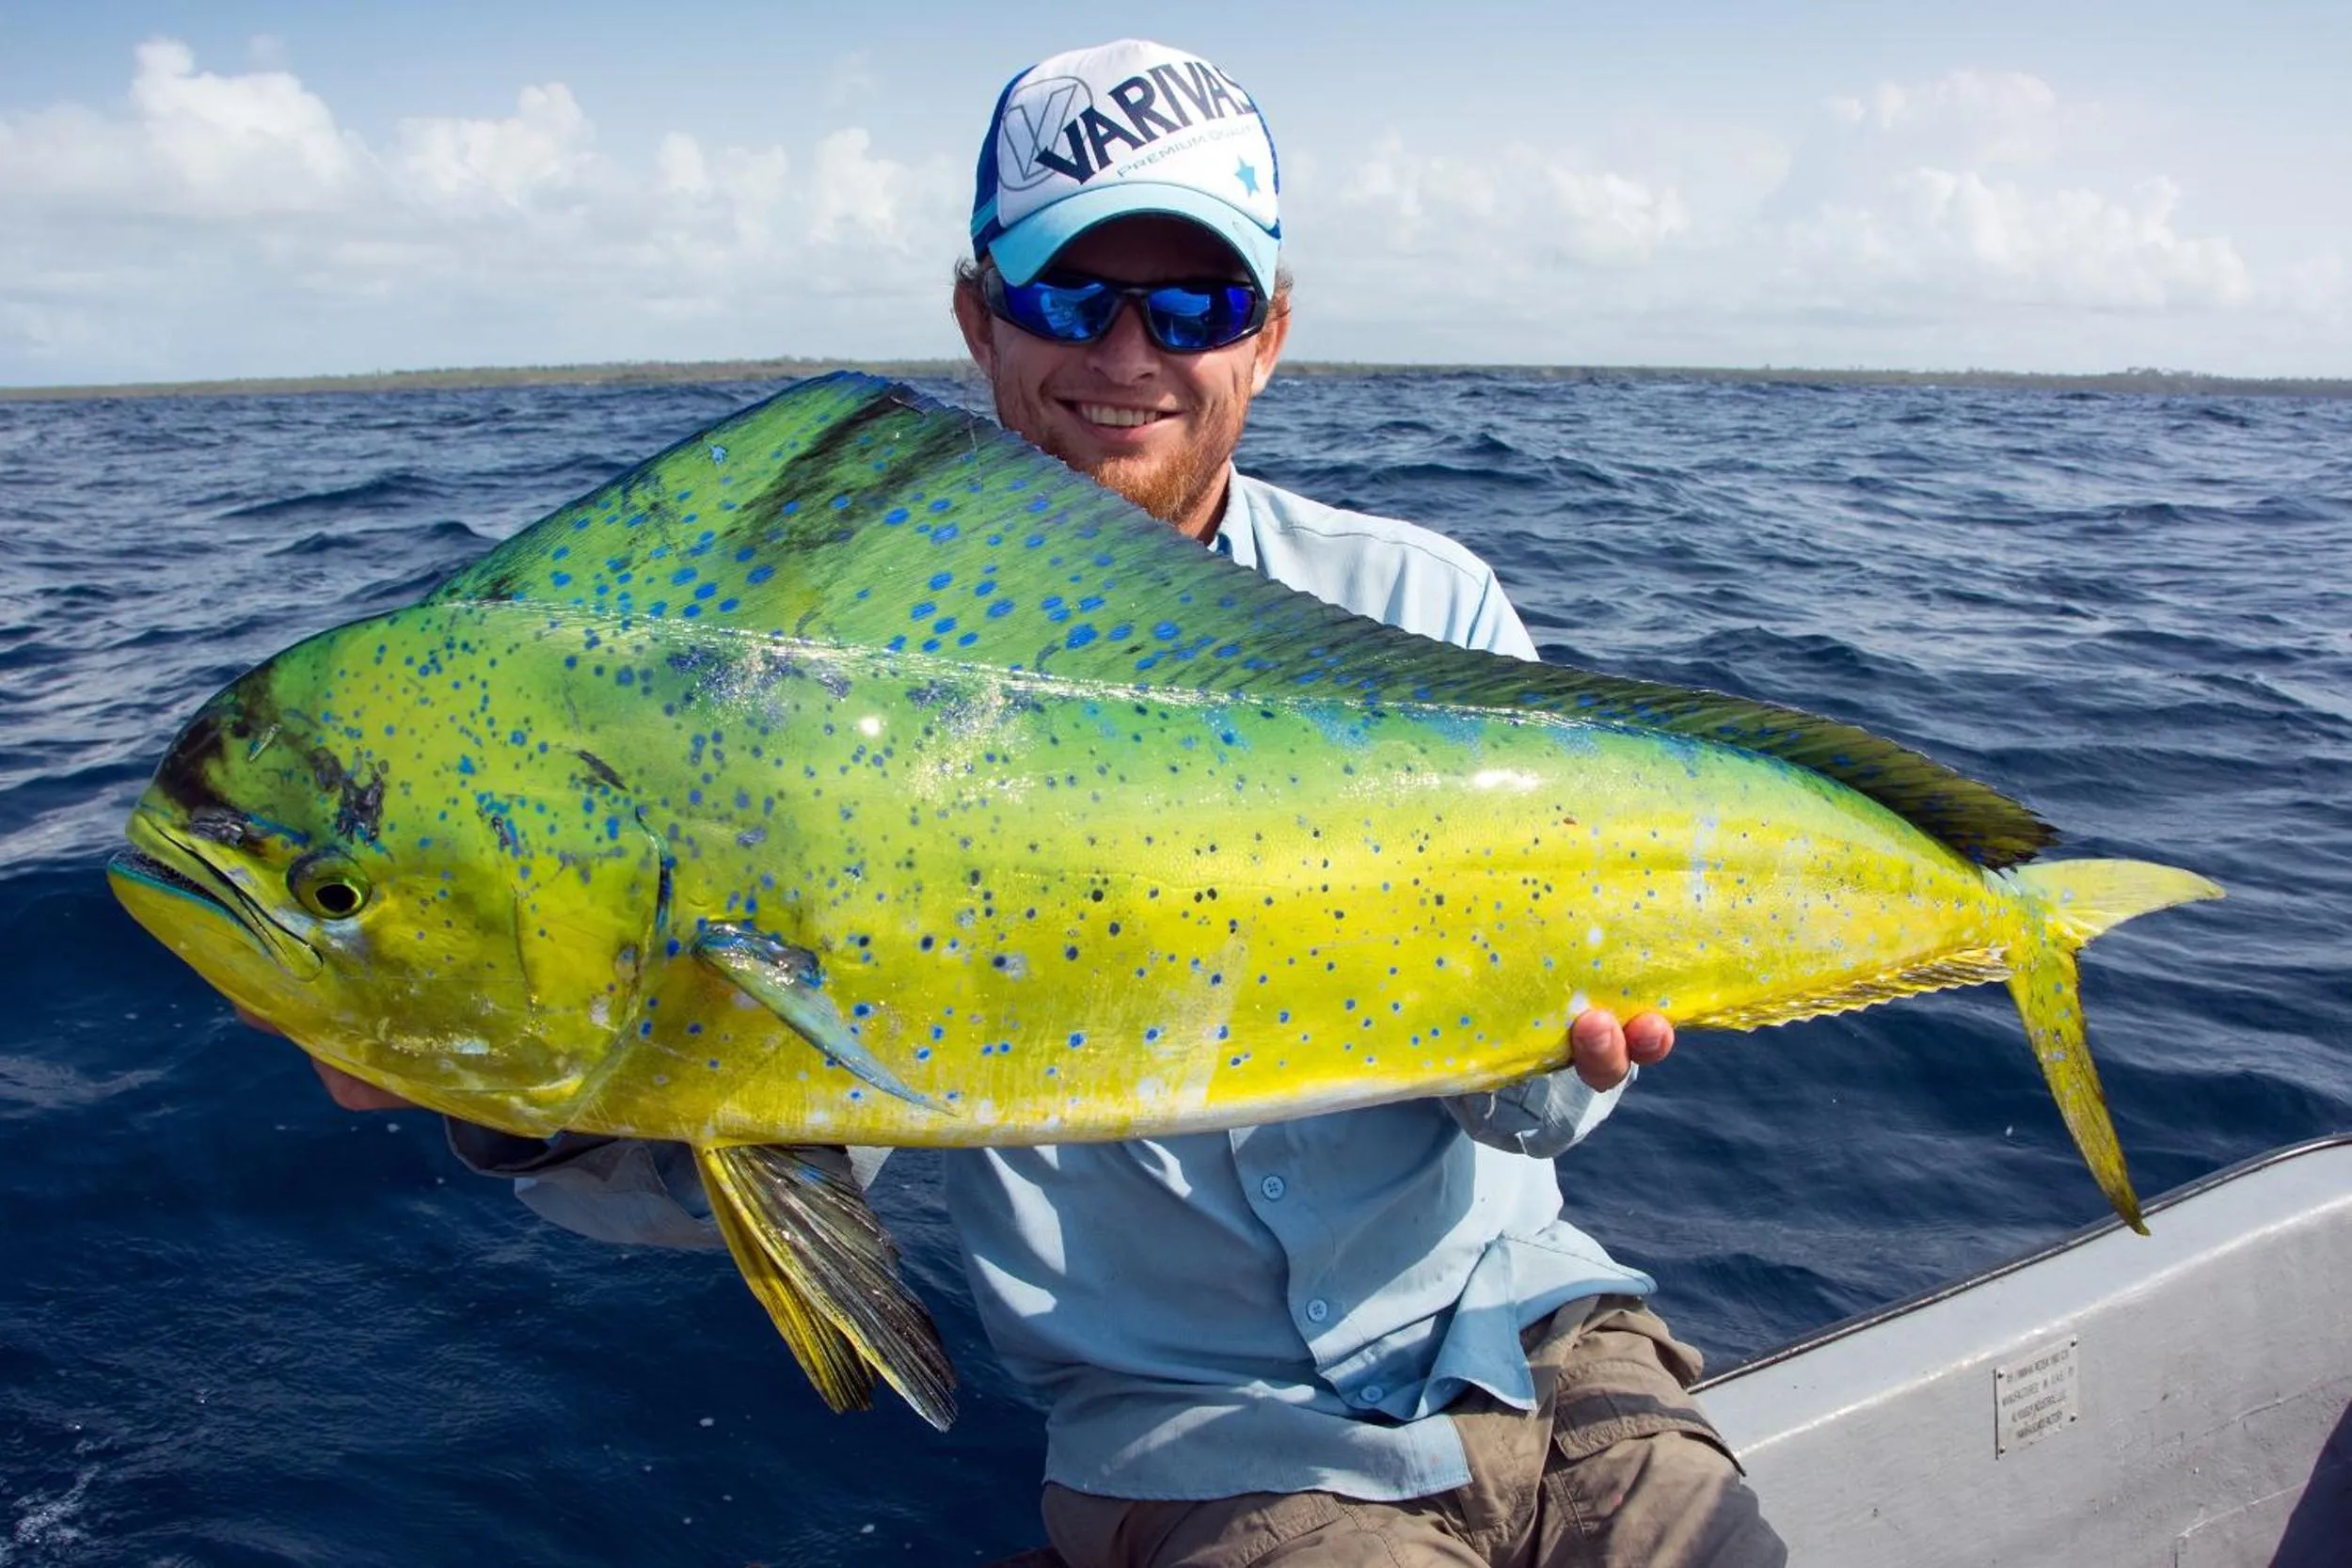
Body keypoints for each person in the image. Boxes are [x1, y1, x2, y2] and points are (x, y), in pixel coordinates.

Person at [309, 38, 1788, 1568]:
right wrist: (506, 1095)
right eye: (1073, 297)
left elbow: (1538, 1113)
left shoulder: (1425, 605)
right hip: (1218, 1449)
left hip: (1544, 1338)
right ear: (978, 317)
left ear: (1268, 336)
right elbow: (759, 1136)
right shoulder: (839, 692)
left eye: (1195, 304)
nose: (1127, 354)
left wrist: (1580, 1047)